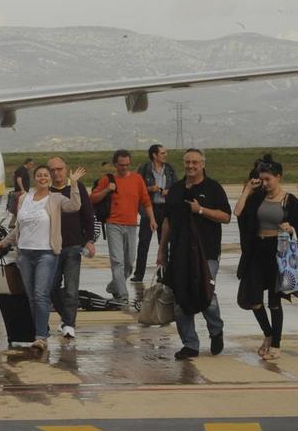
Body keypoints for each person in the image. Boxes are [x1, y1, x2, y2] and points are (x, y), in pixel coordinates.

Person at [0, 164, 86, 351]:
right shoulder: (24, 199)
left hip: (46, 253)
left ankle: (40, 337)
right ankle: (40, 329)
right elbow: (20, 227)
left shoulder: (56, 198)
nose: (43, 178)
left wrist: (74, 184)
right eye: (39, 175)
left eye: (46, 175)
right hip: (25, 253)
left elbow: (75, 206)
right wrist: (5, 241)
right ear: (34, 178)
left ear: (50, 179)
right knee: (31, 296)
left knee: (41, 294)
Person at [234, 155, 298, 361]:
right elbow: (238, 212)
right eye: (262, 179)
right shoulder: (257, 197)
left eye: (268, 179)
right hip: (257, 250)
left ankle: (276, 344)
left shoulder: (289, 200)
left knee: (274, 302)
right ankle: (268, 333)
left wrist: (291, 228)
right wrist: (248, 189)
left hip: (279, 252)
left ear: (279, 177)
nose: (265, 183)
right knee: (254, 300)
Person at [157, 149, 230, 360]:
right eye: (187, 162)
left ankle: (216, 330)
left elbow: (225, 216)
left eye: (195, 162)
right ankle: (190, 344)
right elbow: (167, 221)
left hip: (207, 252)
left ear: (202, 164)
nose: (190, 166)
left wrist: (200, 210)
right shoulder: (176, 190)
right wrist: (162, 249)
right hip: (179, 252)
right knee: (181, 298)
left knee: (206, 294)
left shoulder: (213, 188)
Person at [90, 149, 157, 305]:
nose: (125, 168)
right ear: (115, 164)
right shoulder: (107, 179)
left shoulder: (137, 179)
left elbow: (146, 201)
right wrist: (107, 189)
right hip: (113, 224)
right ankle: (122, 295)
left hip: (132, 225)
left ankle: (114, 286)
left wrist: (152, 219)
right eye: (121, 165)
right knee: (117, 261)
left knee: (129, 262)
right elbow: (92, 198)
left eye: (127, 165)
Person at [47, 157, 96, 339]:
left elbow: (88, 215)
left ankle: (69, 324)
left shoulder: (77, 187)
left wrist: (89, 240)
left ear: (66, 169)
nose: (56, 173)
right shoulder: (46, 192)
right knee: (51, 286)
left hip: (74, 245)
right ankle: (65, 316)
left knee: (71, 288)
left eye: (59, 169)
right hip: (51, 247)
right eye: (52, 170)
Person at [134, 144, 177, 282]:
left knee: (164, 242)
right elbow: (136, 187)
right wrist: (149, 189)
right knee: (144, 242)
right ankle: (138, 274)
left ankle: (163, 273)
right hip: (149, 208)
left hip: (165, 209)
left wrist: (169, 191)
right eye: (162, 153)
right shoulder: (145, 169)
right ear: (154, 155)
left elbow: (177, 187)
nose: (165, 155)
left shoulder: (169, 169)